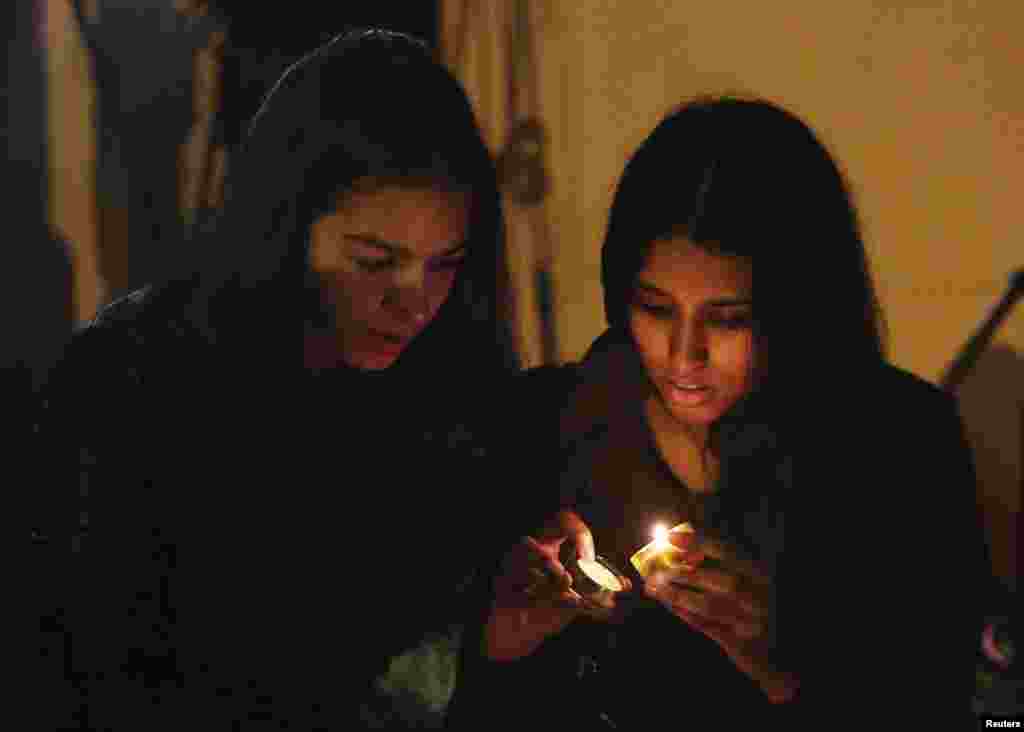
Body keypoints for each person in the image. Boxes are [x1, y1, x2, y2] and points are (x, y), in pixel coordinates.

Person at [33, 28, 534, 729]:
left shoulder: (448, 397)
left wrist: (494, 614)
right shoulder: (135, 386)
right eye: (374, 261)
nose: (413, 301)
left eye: (445, 264)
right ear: (289, 227)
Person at [448, 97, 988, 728]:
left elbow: (939, 706)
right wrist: (500, 645)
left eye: (728, 320)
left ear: (797, 306)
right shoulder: (548, 425)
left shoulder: (898, 447)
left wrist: (786, 669)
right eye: (654, 308)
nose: (683, 356)